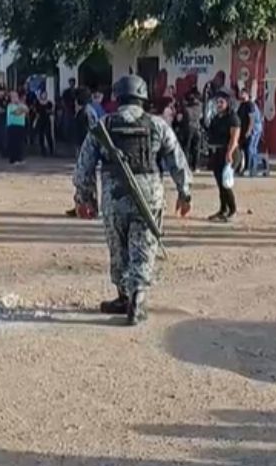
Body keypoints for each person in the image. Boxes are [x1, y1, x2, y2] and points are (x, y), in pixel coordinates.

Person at [73, 74, 192, 326]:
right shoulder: (157, 125)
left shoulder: (105, 125)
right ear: (142, 97)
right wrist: (184, 193)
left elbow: (84, 166)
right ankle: (136, 298)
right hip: (149, 196)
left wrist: (85, 197)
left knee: (118, 246)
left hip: (114, 197)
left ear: (118, 97)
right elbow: (177, 161)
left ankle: (124, 295)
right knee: (143, 246)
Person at [206, 89, 240, 221]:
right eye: (217, 102)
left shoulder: (233, 118)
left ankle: (232, 210)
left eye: (221, 102)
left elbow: (234, 138)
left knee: (226, 183)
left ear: (228, 103)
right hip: (217, 154)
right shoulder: (215, 118)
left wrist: (229, 153)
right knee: (220, 184)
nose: (219, 104)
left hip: (230, 153)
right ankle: (223, 210)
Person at [236, 87, 257, 174]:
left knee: (248, 150)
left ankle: (248, 168)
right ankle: (239, 167)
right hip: (241, 132)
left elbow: (252, 119)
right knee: (240, 150)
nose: (241, 95)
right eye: (240, 93)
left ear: (247, 94)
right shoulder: (241, 105)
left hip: (248, 132)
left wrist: (249, 131)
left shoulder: (250, 105)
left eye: (243, 93)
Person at [6, 90, 28, 165]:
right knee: (13, 143)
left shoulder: (21, 104)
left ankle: (19, 158)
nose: (15, 98)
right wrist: (21, 109)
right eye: (13, 97)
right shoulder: (10, 106)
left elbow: (26, 110)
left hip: (21, 125)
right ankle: (13, 159)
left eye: (16, 96)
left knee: (20, 143)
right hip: (12, 126)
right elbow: (16, 113)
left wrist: (21, 108)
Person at [34, 90, 55, 157]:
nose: (44, 95)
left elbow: (52, 111)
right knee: (41, 135)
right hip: (40, 120)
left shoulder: (49, 103)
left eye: (45, 94)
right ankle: (43, 150)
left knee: (48, 134)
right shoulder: (37, 103)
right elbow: (36, 111)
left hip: (47, 120)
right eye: (43, 94)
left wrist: (49, 111)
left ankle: (51, 149)